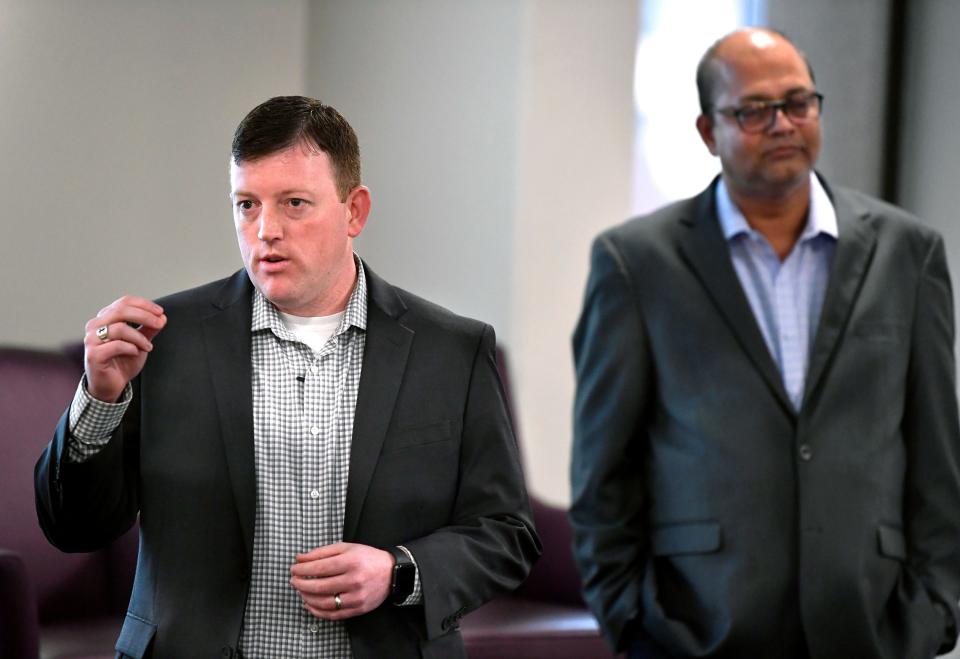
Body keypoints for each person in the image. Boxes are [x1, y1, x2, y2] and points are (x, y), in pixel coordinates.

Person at [35, 95, 540, 659]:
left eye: (294, 203)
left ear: (355, 211)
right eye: (246, 205)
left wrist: (398, 572)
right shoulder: (162, 341)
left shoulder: (453, 351)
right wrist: (100, 399)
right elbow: (74, 529)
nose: (265, 230)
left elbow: (506, 534)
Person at [570, 27, 960, 659]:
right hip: (699, 628)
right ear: (707, 132)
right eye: (754, 110)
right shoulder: (636, 263)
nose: (782, 124)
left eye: (798, 102)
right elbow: (603, 473)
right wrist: (633, 623)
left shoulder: (907, 253)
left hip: (872, 627)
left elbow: (937, 453)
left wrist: (935, 612)